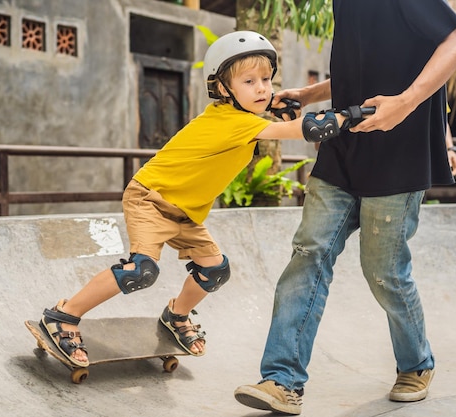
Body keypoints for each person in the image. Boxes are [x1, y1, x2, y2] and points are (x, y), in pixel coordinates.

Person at [37, 30, 359, 367]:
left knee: (214, 269)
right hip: (150, 198)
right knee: (140, 270)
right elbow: (305, 129)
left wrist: (277, 107)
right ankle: (63, 315)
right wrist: (351, 115)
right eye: (249, 81)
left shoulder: (244, 120)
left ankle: (176, 315)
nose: (262, 88)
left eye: (266, 79)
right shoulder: (232, 122)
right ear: (223, 89)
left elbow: (263, 121)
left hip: (183, 212)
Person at [234, 1, 456, 415]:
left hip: (401, 153)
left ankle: (417, 363)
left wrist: (406, 102)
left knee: (384, 271)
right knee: (309, 254)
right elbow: (364, 66)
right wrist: (311, 94)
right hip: (344, 146)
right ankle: (281, 380)